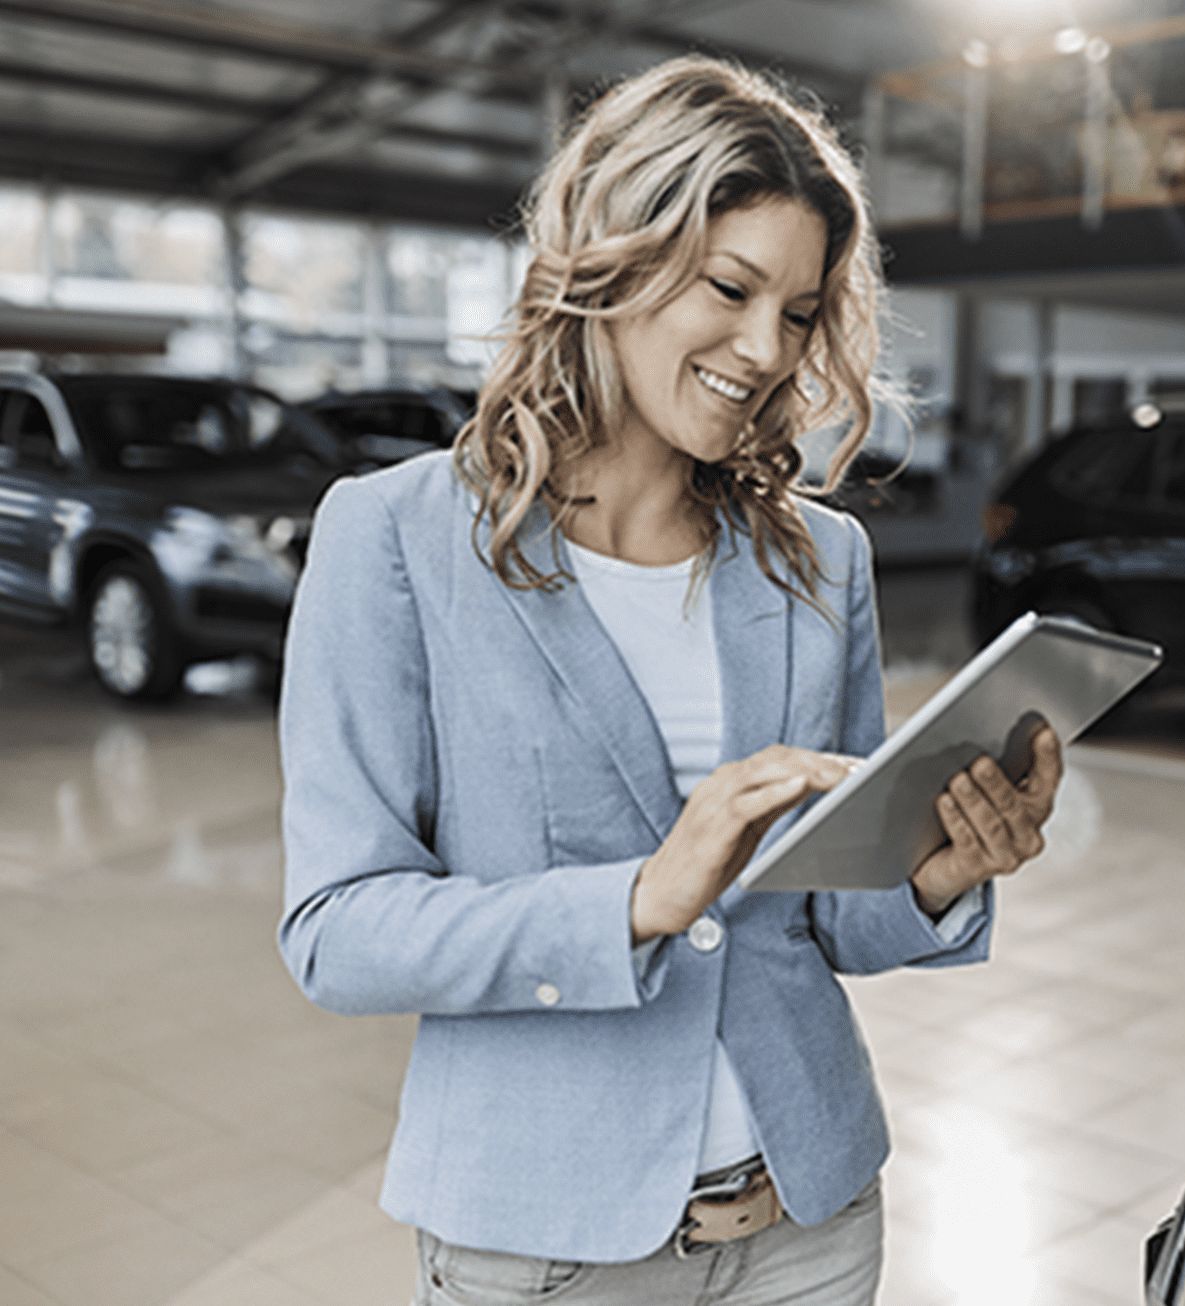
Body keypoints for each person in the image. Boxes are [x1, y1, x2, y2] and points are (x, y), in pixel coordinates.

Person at [277, 55, 1064, 1306]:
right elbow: (337, 932)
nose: (765, 349)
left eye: (800, 311)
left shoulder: (820, 563)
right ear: (617, 257)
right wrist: (637, 899)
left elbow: (826, 912)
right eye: (730, 287)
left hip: (807, 1220)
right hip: (546, 1247)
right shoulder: (397, 540)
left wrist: (936, 867)